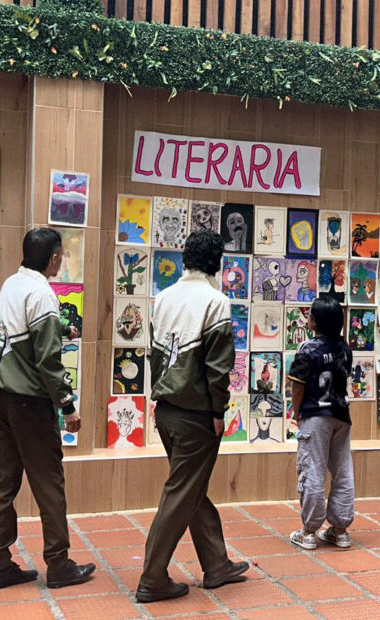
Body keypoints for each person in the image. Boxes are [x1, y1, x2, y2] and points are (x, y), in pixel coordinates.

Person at [136, 230, 248, 604]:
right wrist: (219, 412)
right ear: (218, 261)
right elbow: (219, 368)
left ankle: (216, 564)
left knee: (190, 488)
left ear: (184, 258)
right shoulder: (216, 302)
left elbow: (154, 355)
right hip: (197, 414)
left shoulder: (163, 297)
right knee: (181, 493)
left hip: (165, 410)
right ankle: (152, 578)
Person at [0, 228, 94, 591]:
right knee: (49, 484)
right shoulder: (43, 295)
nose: (62, 260)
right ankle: (59, 564)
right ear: (53, 257)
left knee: (2, 483)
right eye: (60, 254)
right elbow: (48, 361)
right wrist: (68, 405)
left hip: (1, 396)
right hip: (31, 402)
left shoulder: (12, 284)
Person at [286, 296, 355, 550]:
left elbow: (297, 387)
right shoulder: (345, 349)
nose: (308, 318)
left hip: (315, 417)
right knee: (342, 470)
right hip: (341, 417)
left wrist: (296, 413)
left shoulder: (307, 349)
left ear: (316, 321)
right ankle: (340, 529)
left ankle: (309, 531)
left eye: (310, 315)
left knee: (312, 470)